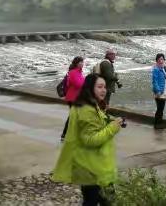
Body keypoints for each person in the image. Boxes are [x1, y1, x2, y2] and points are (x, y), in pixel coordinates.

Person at [52, 74, 125, 206]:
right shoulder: (87, 110)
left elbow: (95, 125)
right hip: (94, 168)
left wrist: (109, 119)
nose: (104, 90)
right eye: (99, 87)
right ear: (90, 88)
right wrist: (113, 127)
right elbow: (90, 139)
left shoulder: (87, 105)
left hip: (88, 165)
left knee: (93, 200)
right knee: (105, 201)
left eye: (105, 87)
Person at [60, 56, 86, 141]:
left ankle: (68, 134)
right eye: (80, 62)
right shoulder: (73, 72)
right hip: (73, 98)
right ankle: (65, 134)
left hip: (78, 98)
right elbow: (78, 84)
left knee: (75, 116)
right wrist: (86, 82)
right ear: (76, 63)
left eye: (82, 62)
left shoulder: (79, 72)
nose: (82, 63)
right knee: (73, 116)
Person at [151, 53, 166, 129]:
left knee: (161, 108)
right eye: (159, 60)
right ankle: (157, 124)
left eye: (162, 59)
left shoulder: (164, 68)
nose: (161, 61)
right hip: (159, 92)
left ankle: (159, 123)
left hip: (163, 91)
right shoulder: (156, 69)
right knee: (159, 108)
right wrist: (158, 91)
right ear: (157, 61)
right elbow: (154, 81)